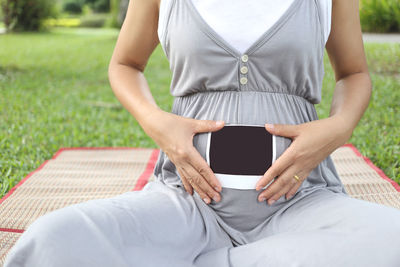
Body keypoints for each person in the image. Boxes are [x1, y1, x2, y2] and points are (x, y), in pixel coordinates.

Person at [4, 0, 400, 266]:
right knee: (52, 241)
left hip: (301, 203)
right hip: (185, 203)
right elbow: (125, 63)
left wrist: (338, 126)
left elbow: (354, 74)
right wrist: (156, 122)